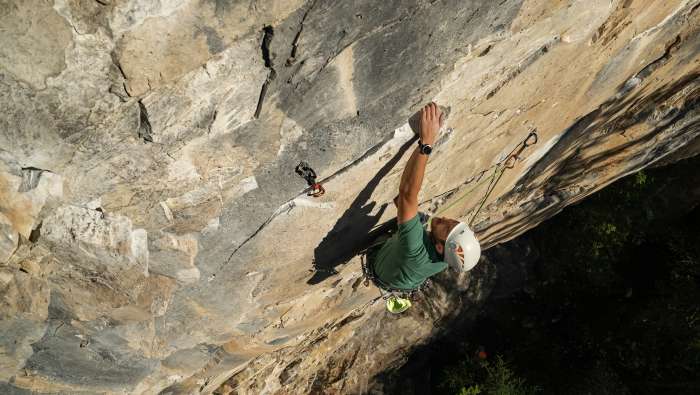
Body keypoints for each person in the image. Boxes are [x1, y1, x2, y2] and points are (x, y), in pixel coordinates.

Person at [370, 102, 481, 312]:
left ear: (440, 247)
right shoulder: (449, 257)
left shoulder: (415, 249)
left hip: (379, 264)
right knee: (412, 212)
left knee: (409, 205)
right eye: (454, 222)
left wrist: (427, 142)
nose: (446, 219)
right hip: (401, 278)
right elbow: (405, 198)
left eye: (447, 228)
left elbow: (406, 193)